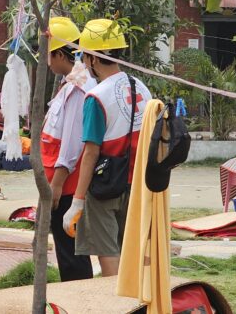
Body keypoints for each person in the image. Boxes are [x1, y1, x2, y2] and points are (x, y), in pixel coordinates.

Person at [63, 18, 151, 277]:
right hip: (137, 183)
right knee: (133, 248)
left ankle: (116, 305)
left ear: (91, 58)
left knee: (108, 251)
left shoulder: (96, 96)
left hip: (105, 187)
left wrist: (77, 202)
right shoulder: (142, 88)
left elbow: (91, 151)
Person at [40, 17, 94, 282]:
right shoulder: (72, 81)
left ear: (60, 54)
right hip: (60, 178)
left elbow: (72, 142)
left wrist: (58, 183)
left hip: (67, 183)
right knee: (67, 250)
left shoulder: (77, 87)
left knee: (71, 253)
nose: (46, 62)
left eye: (48, 55)